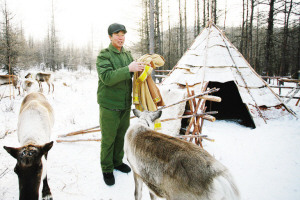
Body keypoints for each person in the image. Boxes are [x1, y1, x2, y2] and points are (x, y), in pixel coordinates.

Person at [96, 23, 145, 186]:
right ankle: (107, 168)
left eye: (123, 34)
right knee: (108, 138)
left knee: (121, 136)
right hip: (109, 104)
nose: (120, 37)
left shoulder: (127, 54)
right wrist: (128, 69)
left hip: (124, 104)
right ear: (110, 37)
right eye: (117, 34)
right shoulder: (104, 55)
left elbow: (133, 70)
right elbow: (107, 78)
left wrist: (141, 67)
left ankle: (117, 162)